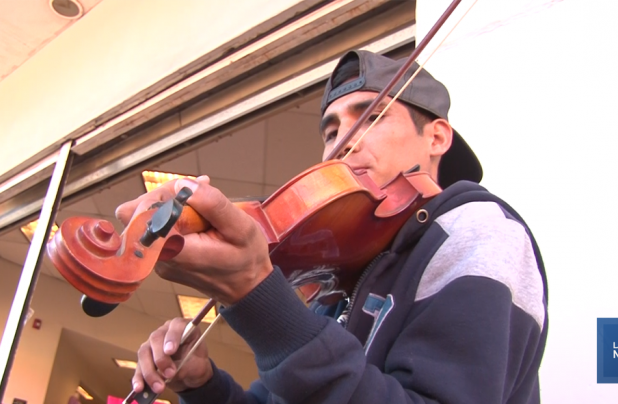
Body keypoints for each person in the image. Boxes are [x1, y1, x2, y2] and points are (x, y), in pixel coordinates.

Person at [118, 50, 548, 403]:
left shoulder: (477, 232)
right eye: (331, 130)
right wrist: (204, 385)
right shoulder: (341, 269)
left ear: (436, 137)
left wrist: (256, 292)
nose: (344, 141)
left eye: (372, 116)